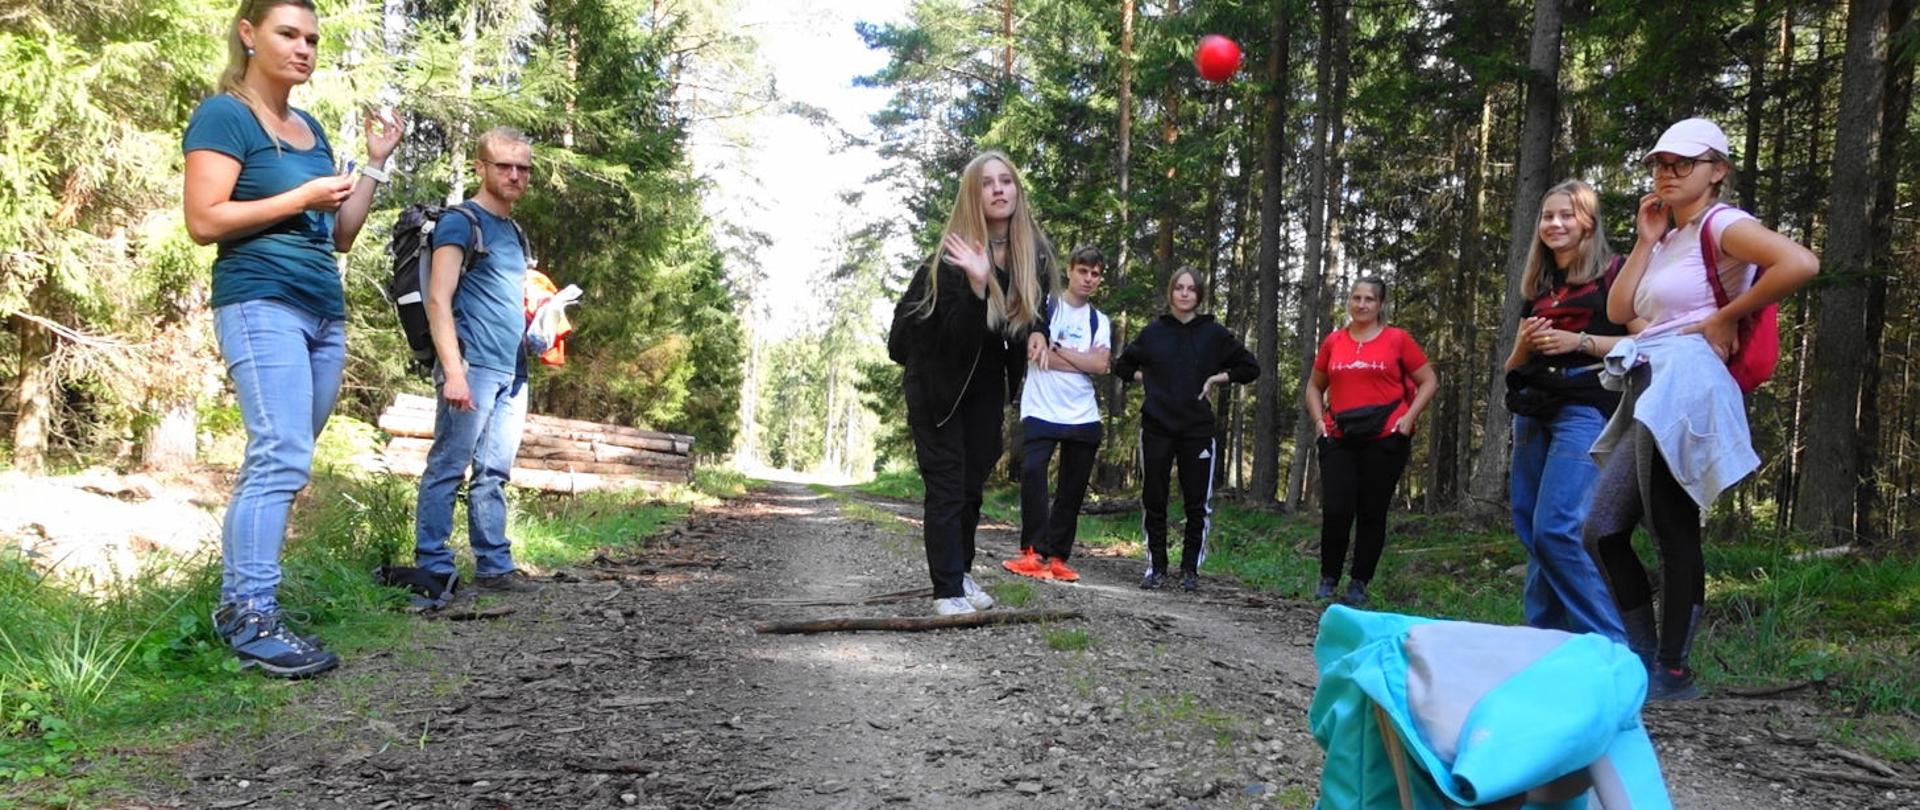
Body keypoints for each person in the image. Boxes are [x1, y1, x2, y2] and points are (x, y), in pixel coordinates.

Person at [183, 0, 401, 677]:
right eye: (287, 34)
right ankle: (250, 615)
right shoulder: (225, 114)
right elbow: (204, 219)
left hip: (320, 309)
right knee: (278, 454)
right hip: (260, 302)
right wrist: (298, 198)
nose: (303, 48)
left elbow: (338, 236)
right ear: (249, 35)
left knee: (283, 462)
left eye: (311, 38)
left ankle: (249, 606)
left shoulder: (306, 125)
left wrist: (373, 165)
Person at [1583, 118, 1816, 700]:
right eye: (1661, 163)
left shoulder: (1724, 223)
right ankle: (1643, 659)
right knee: (1602, 529)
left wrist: (1727, 314)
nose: (1666, 173)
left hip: (1688, 386)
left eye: (1682, 164)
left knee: (1670, 525)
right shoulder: (1667, 234)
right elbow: (1619, 308)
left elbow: (1800, 263)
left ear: (1718, 171)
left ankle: (1673, 670)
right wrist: (1643, 238)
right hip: (1651, 382)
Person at [887, 150, 1055, 616]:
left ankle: (959, 571)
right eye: (987, 183)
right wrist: (979, 287)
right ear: (973, 195)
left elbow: (1035, 308)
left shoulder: (1030, 252)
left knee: (970, 485)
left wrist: (1038, 330)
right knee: (946, 485)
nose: (999, 189)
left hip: (983, 384)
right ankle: (946, 590)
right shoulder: (955, 256)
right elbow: (955, 339)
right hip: (938, 383)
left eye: (1006, 181)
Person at [1503, 180, 1638, 641]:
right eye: (1547, 216)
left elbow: (1645, 340)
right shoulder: (1541, 286)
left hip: (1586, 407)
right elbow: (1514, 367)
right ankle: (1544, 644)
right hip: (1532, 410)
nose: (1555, 224)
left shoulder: (1615, 274)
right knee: (1531, 531)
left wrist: (1578, 342)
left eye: (1567, 215)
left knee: (1557, 529)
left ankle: (1613, 648)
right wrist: (1522, 345)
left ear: (1589, 223)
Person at [414, 127, 543, 598]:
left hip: (512, 369)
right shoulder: (460, 222)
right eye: (504, 166)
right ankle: (433, 568)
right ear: (481, 167)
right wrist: (453, 373)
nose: (514, 175)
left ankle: (494, 566)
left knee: (494, 473)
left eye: (523, 168)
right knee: (449, 465)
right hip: (471, 367)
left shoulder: (512, 231)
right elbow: (437, 298)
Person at [1112, 267, 1258, 592]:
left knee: (1197, 503)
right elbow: (1123, 365)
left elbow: (1249, 367)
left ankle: (1190, 570)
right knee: (1155, 497)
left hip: (1197, 429)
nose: (1184, 293)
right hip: (1156, 425)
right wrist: (1148, 380)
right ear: (1171, 292)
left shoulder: (1214, 334)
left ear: (1199, 295)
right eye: (1178, 287)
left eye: (1191, 289)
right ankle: (1157, 567)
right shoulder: (1153, 332)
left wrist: (1216, 379)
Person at [1303, 277, 1438, 607]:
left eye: (1369, 299)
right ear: (1349, 301)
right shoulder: (1334, 342)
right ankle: (1328, 578)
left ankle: (1359, 583)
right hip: (1339, 435)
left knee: (1372, 511)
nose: (1361, 305)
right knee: (1336, 508)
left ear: (1380, 305)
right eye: (1356, 298)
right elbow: (1313, 386)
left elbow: (1429, 380)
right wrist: (1320, 422)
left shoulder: (1397, 339)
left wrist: (1408, 420)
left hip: (1385, 436)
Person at [1003, 246, 1110, 583]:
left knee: (1072, 488)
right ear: (1070, 271)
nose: (1088, 279)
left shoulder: (1099, 320)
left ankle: (1059, 556)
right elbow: (1036, 355)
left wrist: (1059, 352)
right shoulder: (1046, 308)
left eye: (1095, 274)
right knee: (1033, 472)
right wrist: (1081, 359)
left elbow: (1102, 365)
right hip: (1041, 408)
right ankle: (1032, 552)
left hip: (1083, 414)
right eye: (1083, 271)